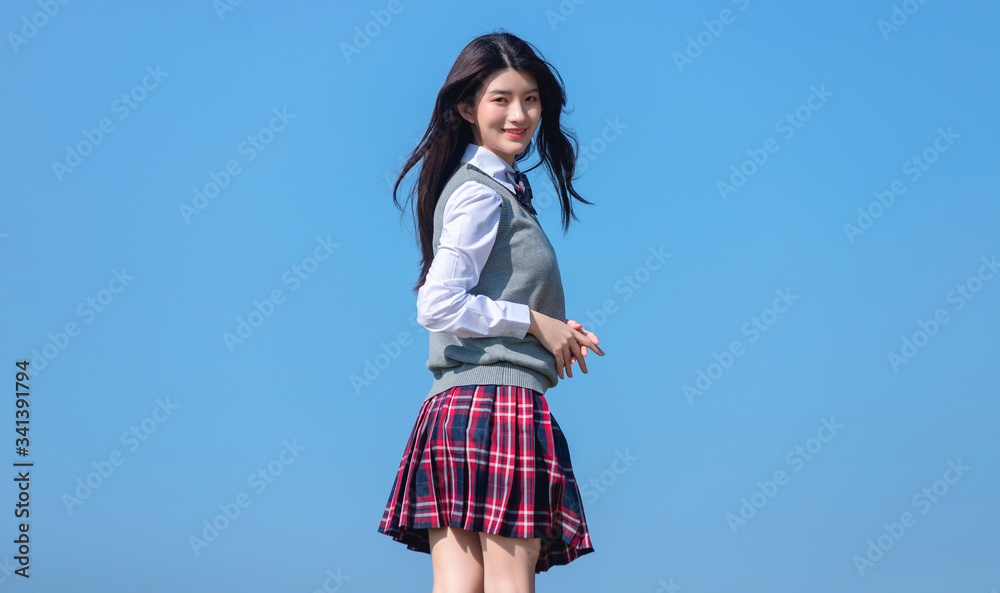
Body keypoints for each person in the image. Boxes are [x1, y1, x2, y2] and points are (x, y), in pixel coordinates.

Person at [378, 29, 605, 591]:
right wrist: (532, 321)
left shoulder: (483, 187)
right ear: (466, 107)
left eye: (530, 99)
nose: (520, 113)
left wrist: (550, 326)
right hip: (499, 409)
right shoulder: (482, 191)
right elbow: (437, 303)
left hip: (453, 411)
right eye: (501, 99)